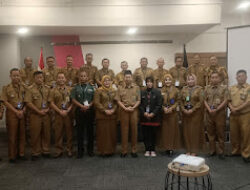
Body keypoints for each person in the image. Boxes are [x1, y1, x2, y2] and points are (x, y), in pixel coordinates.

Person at [1, 68, 26, 163]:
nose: (16, 77)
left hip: (22, 112)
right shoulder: (6, 88)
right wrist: (16, 111)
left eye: (18, 75)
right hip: (12, 113)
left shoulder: (24, 87)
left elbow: (27, 101)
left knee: (22, 134)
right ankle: (12, 156)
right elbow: (5, 101)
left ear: (20, 76)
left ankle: (21, 153)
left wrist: (23, 110)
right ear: (10, 76)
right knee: (12, 135)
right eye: (14, 75)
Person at [24, 71, 51, 161]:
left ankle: (45, 150)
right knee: (35, 134)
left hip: (46, 114)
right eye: (38, 77)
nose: (40, 79)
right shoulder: (30, 89)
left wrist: (47, 110)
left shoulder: (47, 88)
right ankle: (35, 152)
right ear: (34, 78)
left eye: (41, 77)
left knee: (46, 133)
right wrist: (39, 111)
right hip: (35, 115)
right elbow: (28, 102)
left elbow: (50, 101)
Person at [116, 70, 140, 158]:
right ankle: (124, 150)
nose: (128, 79)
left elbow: (139, 100)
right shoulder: (120, 88)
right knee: (124, 131)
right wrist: (125, 108)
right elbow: (118, 100)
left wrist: (133, 108)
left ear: (132, 78)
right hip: (124, 111)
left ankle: (134, 150)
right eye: (126, 77)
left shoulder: (137, 88)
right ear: (124, 78)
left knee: (134, 131)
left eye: (129, 77)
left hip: (134, 111)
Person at [71, 70, 95, 158]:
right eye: (81, 76)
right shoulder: (75, 87)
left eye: (84, 76)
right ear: (78, 77)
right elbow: (73, 99)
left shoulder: (92, 87)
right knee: (80, 132)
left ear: (87, 77)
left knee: (90, 132)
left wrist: (89, 106)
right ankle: (80, 151)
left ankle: (90, 150)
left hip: (89, 111)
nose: (83, 78)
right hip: (79, 111)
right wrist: (81, 106)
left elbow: (94, 99)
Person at [204, 72, 228, 159]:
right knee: (210, 133)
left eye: (216, 77)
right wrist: (209, 109)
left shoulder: (224, 88)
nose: (214, 79)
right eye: (212, 77)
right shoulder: (206, 88)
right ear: (210, 79)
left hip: (220, 114)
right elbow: (204, 100)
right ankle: (212, 151)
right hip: (209, 114)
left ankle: (221, 152)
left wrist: (216, 109)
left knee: (220, 133)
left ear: (219, 79)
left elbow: (226, 100)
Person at [49, 72, 73, 158]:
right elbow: (51, 103)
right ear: (56, 79)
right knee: (58, 133)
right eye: (59, 78)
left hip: (68, 114)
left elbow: (73, 102)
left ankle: (69, 149)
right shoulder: (52, 90)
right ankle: (59, 150)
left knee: (69, 133)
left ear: (65, 79)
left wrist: (68, 110)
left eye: (62, 78)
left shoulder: (70, 89)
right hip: (58, 114)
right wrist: (59, 111)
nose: (61, 79)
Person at [228, 70, 250, 163]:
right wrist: (232, 108)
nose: (240, 78)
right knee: (234, 134)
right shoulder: (231, 88)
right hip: (233, 115)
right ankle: (235, 151)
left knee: (246, 135)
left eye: (242, 76)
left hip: (245, 115)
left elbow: (248, 102)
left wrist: (236, 109)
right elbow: (228, 100)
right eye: (238, 76)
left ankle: (246, 154)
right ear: (236, 78)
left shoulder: (249, 88)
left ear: (246, 77)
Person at [181, 74, 204, 156]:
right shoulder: (184, 89)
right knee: (186, 132)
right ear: (186, 81)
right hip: (185, 114)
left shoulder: (200, 89)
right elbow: (181, 101)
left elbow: (201, 102)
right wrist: (183, 109)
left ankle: (194, 150)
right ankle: (188, 150)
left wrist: (192, 110)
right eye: (188, 79)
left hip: (195, 114)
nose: (190, 81)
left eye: (192, 79)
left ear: (195, 80)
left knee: (194, 132)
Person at [94, 75, 117, 157]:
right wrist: (105, 110)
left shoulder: (114, 90)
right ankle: (103, 151)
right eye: (105, 81)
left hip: (112, 116)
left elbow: (116, 102)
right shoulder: (98, 90)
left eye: (108, 80)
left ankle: (111, 150)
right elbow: (96, 102)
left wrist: (113, 109)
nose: (107, 82)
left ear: (111, 81)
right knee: (103, 134)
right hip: (102, 116)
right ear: (102, 82)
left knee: (112, 133)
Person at [140, 76, 162, 157]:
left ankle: (152, 150)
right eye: (147, 82)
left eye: (150, 82)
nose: (149, 83)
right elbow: (140, 104)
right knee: (145, 134)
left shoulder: (157, 92)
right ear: (146, 83)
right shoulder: (142, 92)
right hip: (144, 117)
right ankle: (147, 149)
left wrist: (153, 113)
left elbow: (159, 105)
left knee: (153, 134)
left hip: (154, 117)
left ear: (153, 83)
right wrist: (144, 113)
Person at [160, 74, 181, 156]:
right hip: (164, 114)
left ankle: (171, 148)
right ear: (164, 81)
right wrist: (163, 108)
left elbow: (178, 101)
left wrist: (172, 108)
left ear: (172, 80)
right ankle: (166, 147)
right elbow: (159, 102)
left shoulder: (176, 90)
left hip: (172, 113)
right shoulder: (161, 90)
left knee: (172, 131)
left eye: (169, 79)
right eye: (166, 80)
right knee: (165, 131)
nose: (167, 81)